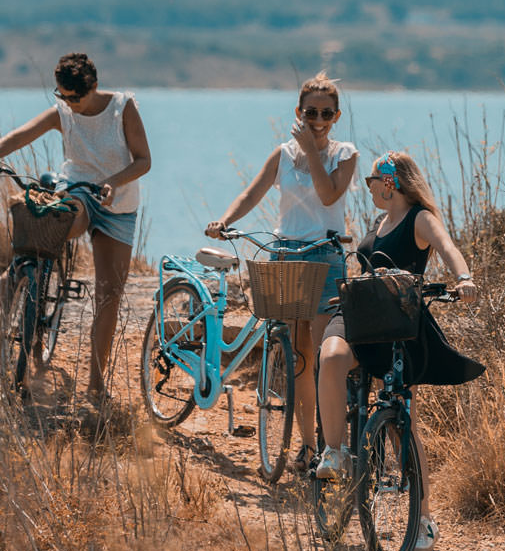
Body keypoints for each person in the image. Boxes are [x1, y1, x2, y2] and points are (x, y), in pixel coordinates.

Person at [316, 151, 481, 551]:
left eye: (373, 180)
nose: (369, 187)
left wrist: (463, 277)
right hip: (361, 316)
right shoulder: (378, 222)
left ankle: (423, 518)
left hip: (398, 324)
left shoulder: (419, 219)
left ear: (389, 182)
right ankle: (335, 453)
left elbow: (446, 246)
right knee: (331, 356)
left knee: (403, 422)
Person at [0, 53, 151, 402]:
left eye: (74, 98)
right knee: (57, 223)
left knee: (109, 295)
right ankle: (16, 277)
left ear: (93, 87)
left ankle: (96, 385)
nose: (68, 104)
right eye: (62, 96)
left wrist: (112, 182)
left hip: (118, 204)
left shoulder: (122, 108)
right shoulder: (63, 111)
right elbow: (21, 135)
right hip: (78, 190)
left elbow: (144, 160)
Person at [205, 72, 358, 460]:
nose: (318, 120)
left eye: (326, 112)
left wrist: (310, 150)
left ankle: (331, 444)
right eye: (311, 112)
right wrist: (224, 221)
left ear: (337, 116)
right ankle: (308, 445)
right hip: (286, 255)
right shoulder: (282, 154)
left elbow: (327, 197)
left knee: (326, 357)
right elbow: (252, 193)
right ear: (298, 112)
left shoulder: (345, 154)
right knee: (299, 359)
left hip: (325, 256)